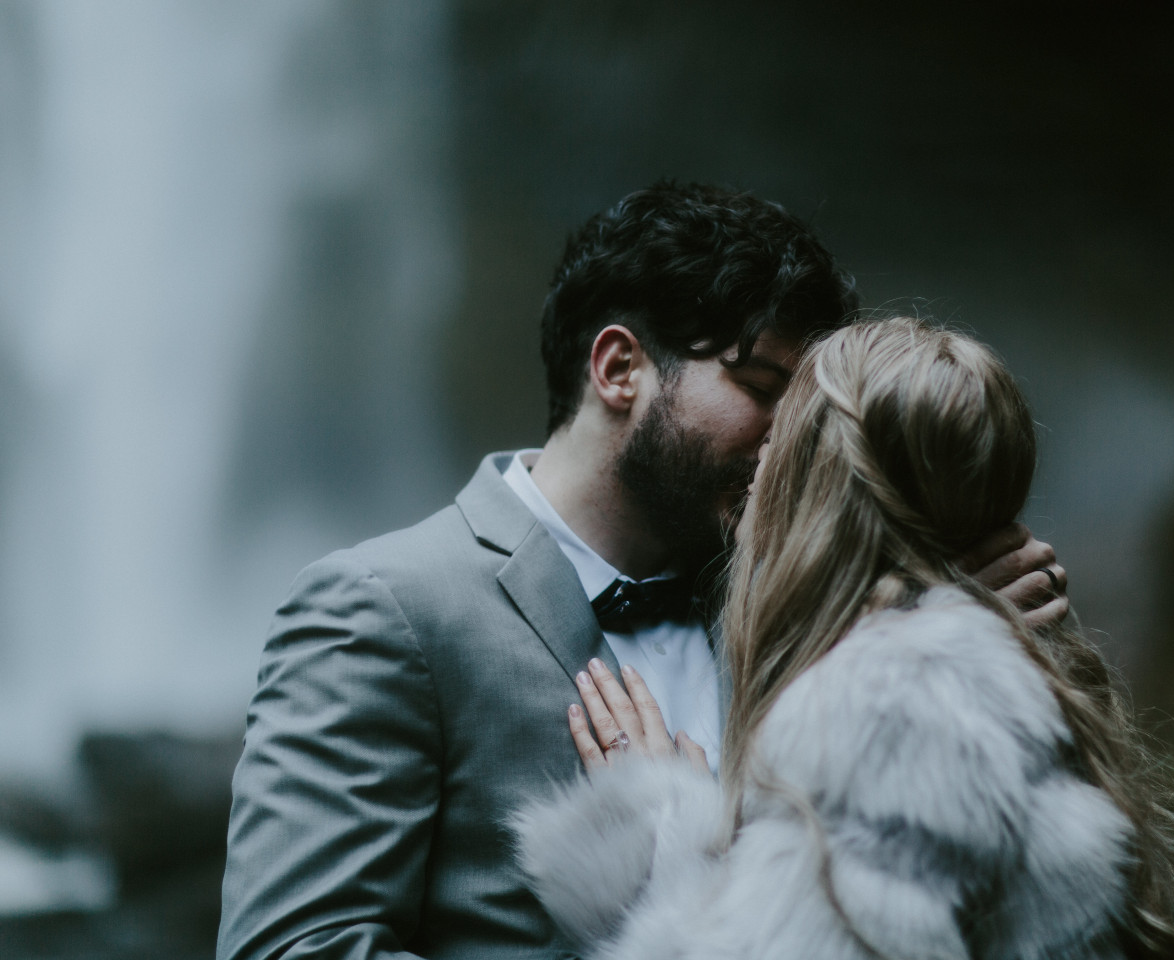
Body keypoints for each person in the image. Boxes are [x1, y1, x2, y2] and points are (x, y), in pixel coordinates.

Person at [217, 185, 1069, 960]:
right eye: (763, 386)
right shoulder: (383, 608)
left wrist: (938, 643)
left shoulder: (818, 606)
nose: (791, 440)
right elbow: (295, 951)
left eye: (807, 410)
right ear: (620, 369)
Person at [513, 318, 1174, 959]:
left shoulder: (887, 712)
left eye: (774, 456)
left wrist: (652, 847)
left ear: (815, 499)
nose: (750, 478)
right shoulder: (951, 682)